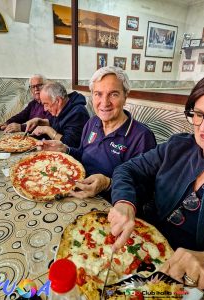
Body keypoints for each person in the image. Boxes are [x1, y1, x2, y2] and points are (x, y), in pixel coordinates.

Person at [109, 77, 204, 289]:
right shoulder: (177, 147)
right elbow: (127, 169)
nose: (203, 128)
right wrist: (124, 201)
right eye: (199, 115)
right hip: (137, 248)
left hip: (184, 281)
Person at [37, 66, 156, 199]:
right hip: (78, 190)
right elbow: (83, 154)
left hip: (109, 206)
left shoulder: (142, 136)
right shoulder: (92, 122)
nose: (104, 103)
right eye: (98, 94)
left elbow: (145, 190)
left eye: (113, 94)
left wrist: (108, 184)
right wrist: (65, 149)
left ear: (125, 96)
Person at [26, 82, 90, 148]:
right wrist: (39, 121)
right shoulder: (62, 107)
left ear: (58, 101)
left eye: (46, 104)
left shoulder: (78, 113)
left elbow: (68, 144)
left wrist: (47, 130)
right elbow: (54, 122)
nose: (45, 109)